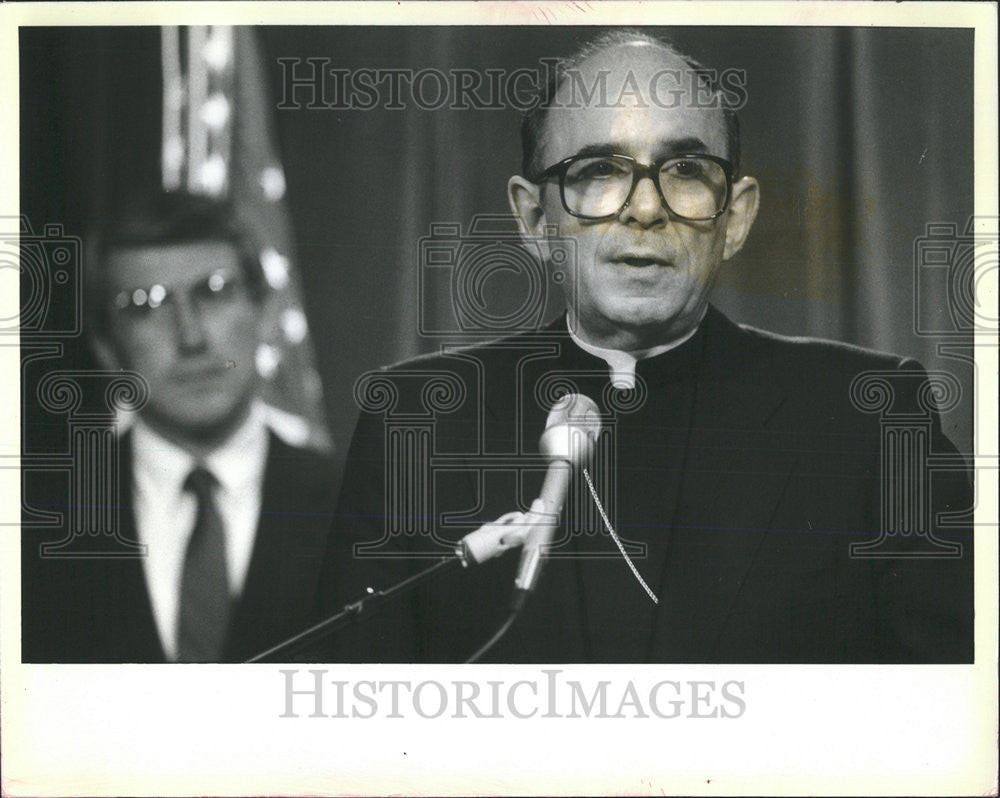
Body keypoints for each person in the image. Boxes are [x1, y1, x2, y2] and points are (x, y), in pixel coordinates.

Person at [322, 30, 973, 663]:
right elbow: (357, 736)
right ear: (534, 218)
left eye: (685, 170)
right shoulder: (415, 422)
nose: (644, 209)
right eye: (600, 169)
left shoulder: (875, 421)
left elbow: (950, 733)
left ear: (735, 217)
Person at [21, 193, 336, 663]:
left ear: (267, 315)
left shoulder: (354, 505)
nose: (190, 336)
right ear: (107, 348)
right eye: (145, 306)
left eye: (213, 291)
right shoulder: (33, 522)